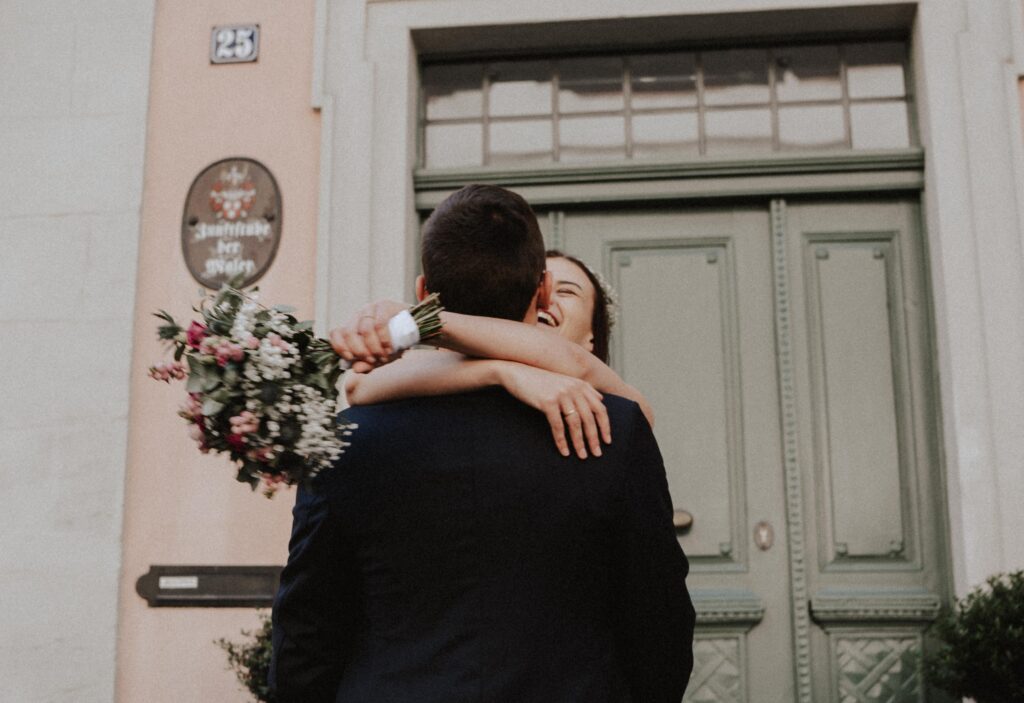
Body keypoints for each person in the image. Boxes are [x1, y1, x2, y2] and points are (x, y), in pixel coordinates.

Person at [270, 184, 695, 702]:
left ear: (425, 292)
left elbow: (307, 634)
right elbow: (659, 622)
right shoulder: (613, 429)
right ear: (540, 292)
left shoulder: (345, 439)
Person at [337, 249, 652, 460]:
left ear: (592, 336)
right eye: (536, 290)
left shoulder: (619, 407)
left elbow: (583, 368)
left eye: (567, 292)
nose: (546, 302)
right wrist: (504, 373)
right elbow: (358, 383)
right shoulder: (451, 378)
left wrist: (413, 318)